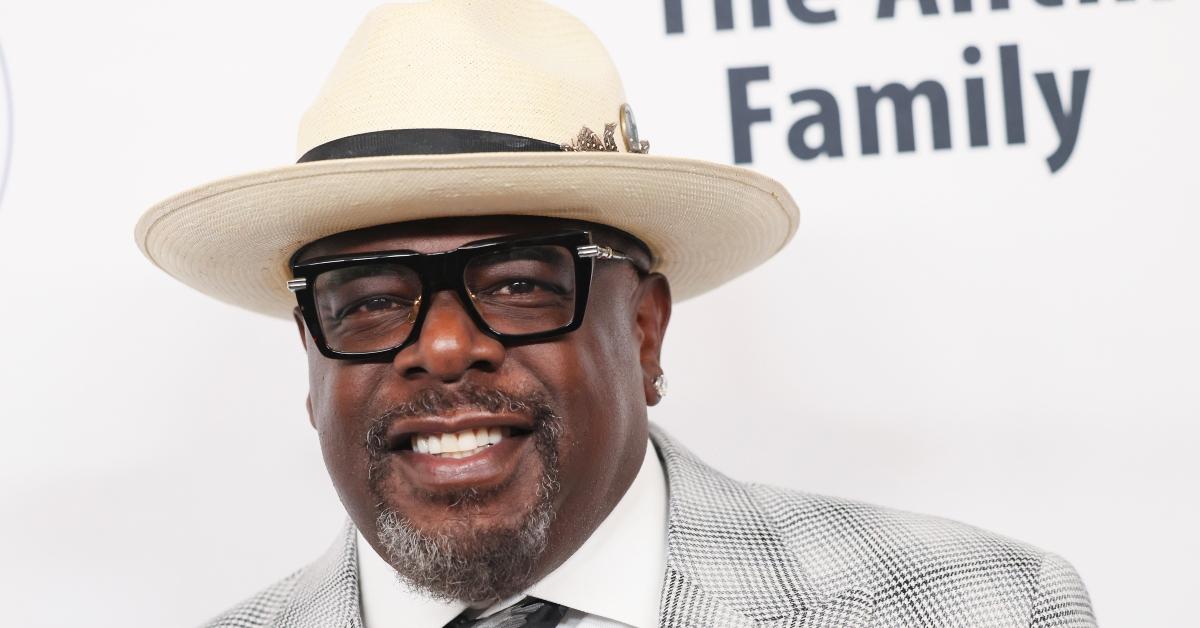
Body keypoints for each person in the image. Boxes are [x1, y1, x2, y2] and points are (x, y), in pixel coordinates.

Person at [135, 2, 1096, 627]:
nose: (441, 346)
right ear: (310, 360)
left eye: (518, 281)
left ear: (644, 331)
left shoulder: (986, 609)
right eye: (372, 299)